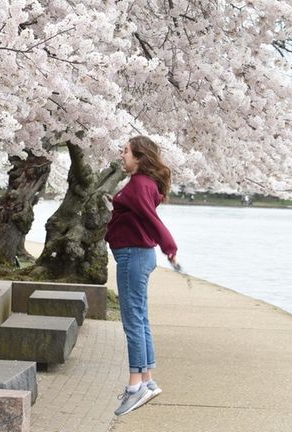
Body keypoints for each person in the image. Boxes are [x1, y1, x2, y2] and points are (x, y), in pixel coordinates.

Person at [105, 135, 179, 416]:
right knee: (141, 317)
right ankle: (147, 380)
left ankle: (135, 386)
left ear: (139, 156)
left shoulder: (138, 186)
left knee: (132, 320)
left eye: (125, 151)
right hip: (137, 254)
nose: (121, 155)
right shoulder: (143, 184)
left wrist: (170, 246)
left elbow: (151, 219)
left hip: (133, 255)